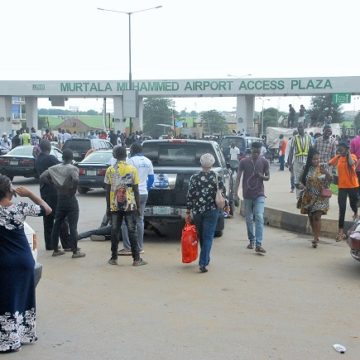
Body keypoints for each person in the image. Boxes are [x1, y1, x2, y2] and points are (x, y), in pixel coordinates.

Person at [0, 175, 52, 353]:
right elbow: (47, 209)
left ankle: (7, 341)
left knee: (5, 300)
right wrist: (29, 193)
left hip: (3, 262)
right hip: (23, 261)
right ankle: (23, 335)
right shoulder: (19, 208)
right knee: (23, 297)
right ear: (9, 191)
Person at [104, 146, 147, 266]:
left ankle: (113, 258)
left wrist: (108, 207)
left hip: (114, 205)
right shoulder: (132, 169)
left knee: (114, 230)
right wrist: (138, 207)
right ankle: (136, 259)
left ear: (115, 156)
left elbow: (107, 191)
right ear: (125, 155)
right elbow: (136, 190)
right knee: (132, 230)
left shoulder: (110, 170)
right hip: (130, 205)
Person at [40, 149, 85, 258]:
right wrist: (73, 190)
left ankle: (55, 250)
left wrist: (52, 183)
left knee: (57, 224)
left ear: (62, 158)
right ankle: (75, 251)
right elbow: (75, 179)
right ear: (71, 158)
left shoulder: (54, 168)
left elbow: (42, 177)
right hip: (70, 199)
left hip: (60, 198)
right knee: (73, 226)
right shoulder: (72, 168)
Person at [185, 153, 224, 273]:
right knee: (208, 237)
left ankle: (204, 259)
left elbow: (190, 196)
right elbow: (223, 193)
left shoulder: (194, 177)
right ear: (212, 164)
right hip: (212, 211)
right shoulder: (217, 177)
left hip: (197, 211)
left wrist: (188, 211)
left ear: (201, 163)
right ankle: (204, 261)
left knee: (202, 236)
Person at [119, 143, 154, 256]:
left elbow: (126, 178)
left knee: (125, 221)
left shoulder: (131, 161)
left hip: (132, 193)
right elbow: (151, 178)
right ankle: (140, 247)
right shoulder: (148, 161)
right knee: (140, 220)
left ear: (132, 150)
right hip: (144, 193)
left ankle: (128, 247)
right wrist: (145, 188)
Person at [35, 140, 71, 251]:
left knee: (48, 218)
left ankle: (49, 244)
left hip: (44, 192)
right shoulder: (50, 158)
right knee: (61, 218)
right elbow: (62, 168)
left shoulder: (37, 160)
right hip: (54, 193)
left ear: (40, 148)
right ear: (49, 147)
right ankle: (66, 244)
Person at [235, 142, 270, 253]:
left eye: (258, 152)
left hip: (259, 194)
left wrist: (262, 176)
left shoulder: (264, 162)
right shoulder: (243, 162)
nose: (256, 154)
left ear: (260, 151)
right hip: (247, 194)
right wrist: (235, 194)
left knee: (259, 216)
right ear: (251, 150)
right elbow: (238, 177)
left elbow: (268, 177)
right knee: (249, 218)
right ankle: (252, 240)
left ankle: (258, 244)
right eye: (254, 151)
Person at [298, 149, 331, 248]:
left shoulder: (323, 167)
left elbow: (330, 180)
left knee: (317, 216)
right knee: (311, 217)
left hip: (321, 197)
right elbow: (300, 181)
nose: (316, 161)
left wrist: (327, 173)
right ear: (310, 160)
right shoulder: (306, 168)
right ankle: (315, 234)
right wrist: (302, 186)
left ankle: (316, 238)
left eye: (318, 159)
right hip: (309, 196)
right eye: (314, 159)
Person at [329, 141, 359, 241]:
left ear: (346, 149)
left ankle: (355, 212)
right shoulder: (338, 157)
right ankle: (341, 232)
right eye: (339, 149)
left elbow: (351, 164)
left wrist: (348, 152)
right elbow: (330, 163)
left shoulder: (353, 156)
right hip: (342, 187)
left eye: (341, 149)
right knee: (342, 209)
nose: (340, 151)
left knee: (352, 204)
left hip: (352, 186)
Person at [287, 123, 312, 199]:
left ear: (304, 128)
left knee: (307, 179)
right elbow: (291, 151)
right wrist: (290, 163)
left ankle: (306, 195)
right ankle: (298, 197)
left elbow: (311, 149)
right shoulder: (294, 138)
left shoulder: (309, 137)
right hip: (297, 161)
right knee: (297, 179)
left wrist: (311, 161)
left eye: (301, 127)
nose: (299, 129)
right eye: (298, 128)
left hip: (307, 161)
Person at [350, 129, 360, 197]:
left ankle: (357, 199)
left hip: (356, 167)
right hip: (357, 166)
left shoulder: (353, 141)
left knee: (356, 184)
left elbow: (351, 154)